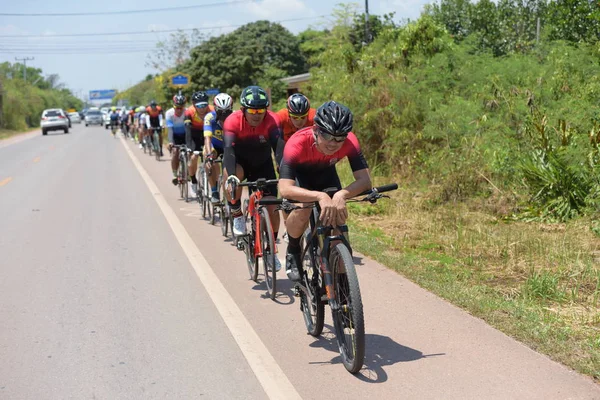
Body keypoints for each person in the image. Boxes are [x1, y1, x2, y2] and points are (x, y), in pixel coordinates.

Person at [277, 101, 372, 281]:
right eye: (327, 135)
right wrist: (319, 196)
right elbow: (285, 189)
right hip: (301, 177)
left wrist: (341, 194)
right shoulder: (296, 143)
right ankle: (294, 250)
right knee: (304, 208)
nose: (333, 143)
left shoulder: (350, 141)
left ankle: (344, 283)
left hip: (326, 175)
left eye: (339, 137)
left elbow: (365, 180)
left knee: (337, 217)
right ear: (316, 129)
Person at [223, 85, 284, 271]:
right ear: (243, 109)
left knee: (272, 206)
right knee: (232, 177)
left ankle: (271, 250)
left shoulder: (272, 120)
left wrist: (284, 171)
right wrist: (232, 175)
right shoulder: (232, 121)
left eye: (261, 110)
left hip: (263, 165)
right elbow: (228, 151)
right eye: (252, 110)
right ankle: (236, 214)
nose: (257, 114)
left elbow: (279, 149)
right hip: (239, 162)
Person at [275, 93, 317, 239]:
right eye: (295, 118)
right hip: (288, 151)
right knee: (287, 192)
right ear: (288, 113)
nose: (299, 122)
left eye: (302, 117)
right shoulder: (281, 117)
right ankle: (288, 225)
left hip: (309, 152)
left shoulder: (315, 117)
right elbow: (278, 143)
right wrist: (281, 166)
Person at [203, 92, 233, 203]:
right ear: (215, 109)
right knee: (211, 161)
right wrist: (209, 155)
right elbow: (207, 138)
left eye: (227, 112)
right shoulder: (209, 117)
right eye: (221, 112)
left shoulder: (235, 116)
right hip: (214, 145)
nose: (224, 115)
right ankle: (214, 190)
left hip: (228, 145)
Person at [184, 91, 214, 194]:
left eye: (204, 105)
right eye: (199, 106)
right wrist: (189, 147)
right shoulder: (189, 112)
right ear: (194, 105)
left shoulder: (212, 110)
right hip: (194, 135)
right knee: (193, 157)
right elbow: (187, 130)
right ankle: (193, 181)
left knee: (212, 156)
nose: (202, 108)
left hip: (208, 134)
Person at [166, 94, 188, 185]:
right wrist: (170, 141)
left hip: (185, 134)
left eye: (181, 108)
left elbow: (189, 128)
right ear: (173, 106)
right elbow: (170, 130)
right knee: (175, 152)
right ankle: (175, 174)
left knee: (189, 152)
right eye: (177, 107)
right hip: (174, 135)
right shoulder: (169, 113)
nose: (179, 110)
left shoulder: (187, 112)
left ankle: (188, 172)